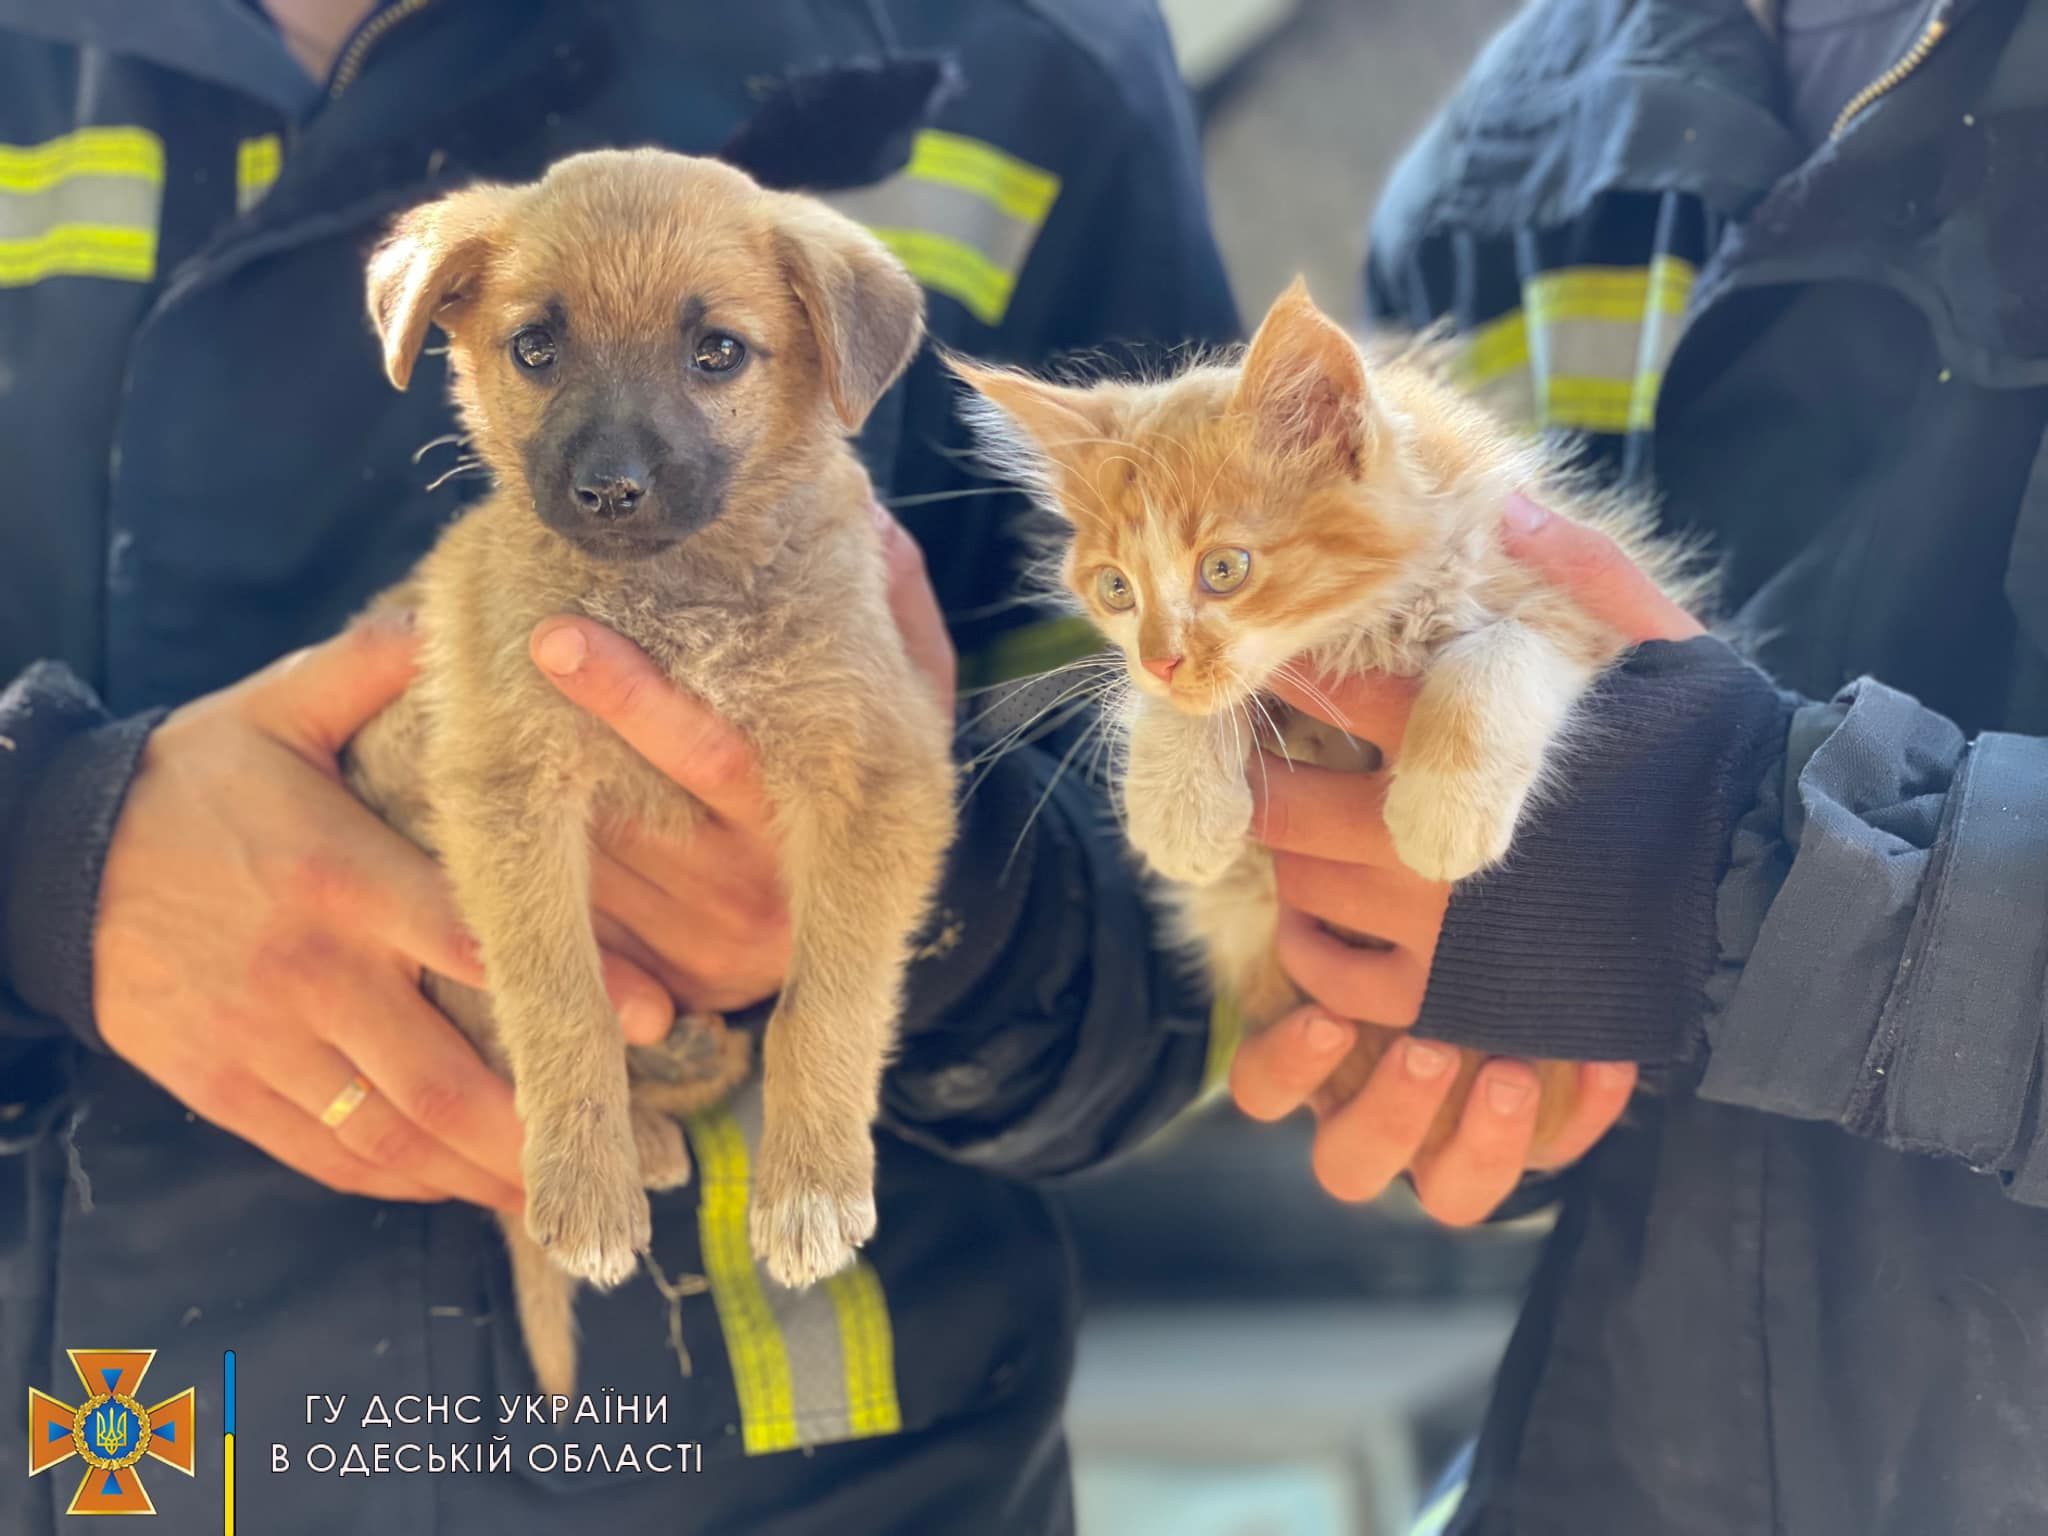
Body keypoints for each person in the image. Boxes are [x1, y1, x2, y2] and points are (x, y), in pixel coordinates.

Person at [0, 2, 1266, 1531]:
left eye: (718, 353)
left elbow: (1213, 916)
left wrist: (920, 910)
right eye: (536, 349)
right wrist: (46, 847)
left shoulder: (1023, 53)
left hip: (819, 1488)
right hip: (106, 1457)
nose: (612, 458)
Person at [1228, 0, 2048, 1532]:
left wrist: (1737, 877)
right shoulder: (1513, 155)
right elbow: (1577, 912)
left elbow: (1670, 872)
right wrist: (1484, 1026)